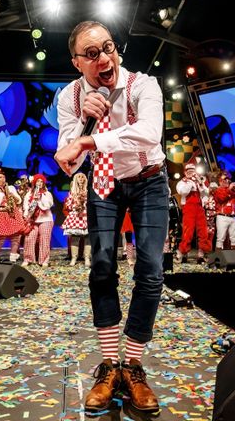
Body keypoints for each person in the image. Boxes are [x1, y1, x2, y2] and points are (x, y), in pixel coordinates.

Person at [54, 20, 167, 412]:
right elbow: (70, 161)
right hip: (103, 183)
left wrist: (89, 139)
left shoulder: (143, 84)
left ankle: (132, 366)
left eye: (108, 47)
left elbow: (151, 132)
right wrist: (83, 125)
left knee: (150, 270)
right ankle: (108, 366)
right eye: (92, 54)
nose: (105, 58)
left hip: (148, 179)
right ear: (77, 63)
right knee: (101, 265)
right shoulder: (68, 97)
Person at [175, 163, 211, 264]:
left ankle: (202, 253)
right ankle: (183, 252)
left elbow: (206, 193)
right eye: (189, 171)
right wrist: (190, 182)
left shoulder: (198, 182)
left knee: (203, 231)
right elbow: (183, 192)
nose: (191, 173)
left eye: (193, 171)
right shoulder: (182, 182)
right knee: (188, 231)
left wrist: (201, 184)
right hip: (188, 208)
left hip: (199, 208)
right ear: (185, 172)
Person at [0, 170, 24, 262]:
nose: (2, 179)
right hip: (1, 214)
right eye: (0, 177)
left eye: (3, 177)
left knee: (15, 237)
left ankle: (13, 257)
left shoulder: (11, 188)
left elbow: (19, 200)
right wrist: (1, 208)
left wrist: (12, 195)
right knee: (1, 239)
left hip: (13, 213)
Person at [22, 174, 54, 267]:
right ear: (34, 182)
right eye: (38, 181)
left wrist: (39, 198)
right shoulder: (29, 194)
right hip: (32, 220)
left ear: (44, 183)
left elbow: (47, 206)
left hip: (46, 219)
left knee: (45, 239)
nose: (39, 183)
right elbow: (26, 207)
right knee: (29, 238)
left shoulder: (47, 194)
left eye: (41, 181)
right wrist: (26, 216)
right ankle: (28, 259)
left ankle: (44, 260)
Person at [61, 173, 89, 266]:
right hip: (75, 215)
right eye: (79, 177)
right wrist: (76, 205)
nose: (81, 179)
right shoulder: (72, 193)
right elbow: (68, 205)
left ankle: (87, 258)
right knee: (74, 238)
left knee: (88, 237)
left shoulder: (88, 192)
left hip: (86, 215)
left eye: (82, 177)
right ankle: (73, 258)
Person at [212, 172, 235, 250]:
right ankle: (219, 257)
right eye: (224, 180)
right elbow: (221, 199)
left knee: (234, 238)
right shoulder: (217, 190)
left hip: (233, 217)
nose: (227, 181)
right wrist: (229, 189)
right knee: (221, 238)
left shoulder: (232, 191)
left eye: (228, 179)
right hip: (222, 217)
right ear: (220, 181)